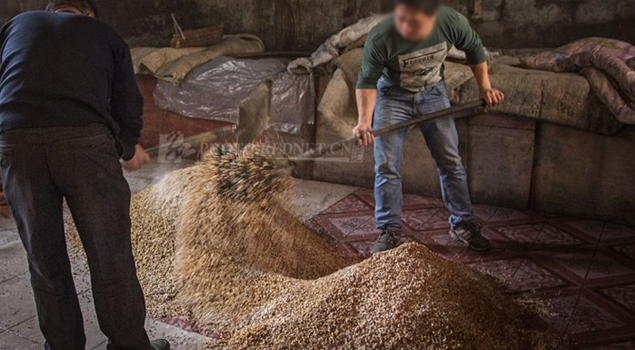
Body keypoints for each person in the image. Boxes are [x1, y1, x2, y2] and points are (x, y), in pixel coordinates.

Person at [0, 1, 169, 349]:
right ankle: (128, 346)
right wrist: (126, 145)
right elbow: (127, 101)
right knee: (111, 256)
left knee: (44, 261)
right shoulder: (103, 33)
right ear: (87, 15)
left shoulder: (15, 26)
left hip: (16, 143)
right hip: (84, 146)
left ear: (52, 10)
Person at [354, 0, 505, 254]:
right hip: (392, 95)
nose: (405, 27)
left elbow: (475, 49)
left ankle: (463, 223)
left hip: (433, 93)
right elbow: (367, 81)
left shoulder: (450, 22)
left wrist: (485, 88)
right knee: (386, 164)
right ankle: (389, 230)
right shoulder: (381, 36)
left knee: (450, 160)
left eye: (414, 22)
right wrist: (364, 122)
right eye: (402, 19)